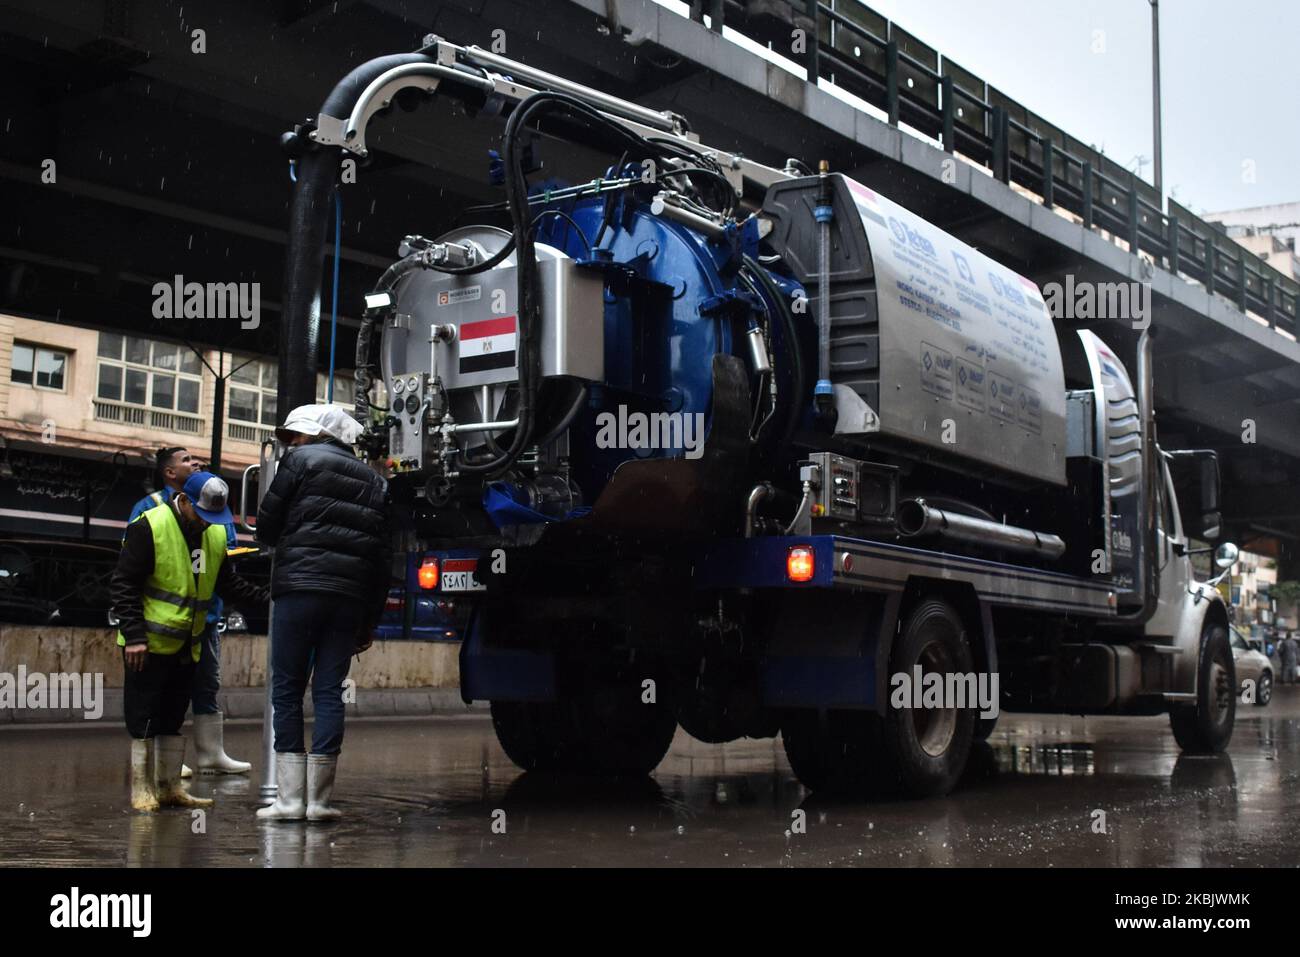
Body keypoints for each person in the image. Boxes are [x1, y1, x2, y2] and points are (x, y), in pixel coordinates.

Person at [255, 405, 391, 822]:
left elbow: (266, 525)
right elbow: (381, 558)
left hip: (300, 588)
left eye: (294, 436)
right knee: (330, 691)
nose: (289, 443)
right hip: (349, 597)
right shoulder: (375, 480)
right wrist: (370, 618)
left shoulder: (300, 462)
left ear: (315, 436)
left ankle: (290, 800)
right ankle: (319, 802)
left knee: (288, 688)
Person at [113, 472, 269, 812]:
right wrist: (135, 637)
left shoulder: (213, 534)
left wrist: (270, 601)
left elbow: (228, 585)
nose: (205, 523)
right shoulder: (149, 526)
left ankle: (169, 789)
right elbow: (124, 585)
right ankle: (143, 791)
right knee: (143, 717)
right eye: (201, 514)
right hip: (147, 645)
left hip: (187, 645)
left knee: (172, 717)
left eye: (212, 517)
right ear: (183, 500)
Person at [127, 447, 249, 776]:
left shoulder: (214, 514)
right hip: (158, 630)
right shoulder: (150, 512)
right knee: (155, 698)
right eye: (186, 460)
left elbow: (227, 573)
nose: (195, 463)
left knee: (204, 686)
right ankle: (157, 770)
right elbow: (127, 579)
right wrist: (135, 633)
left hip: (202, 622)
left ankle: (208, 754)